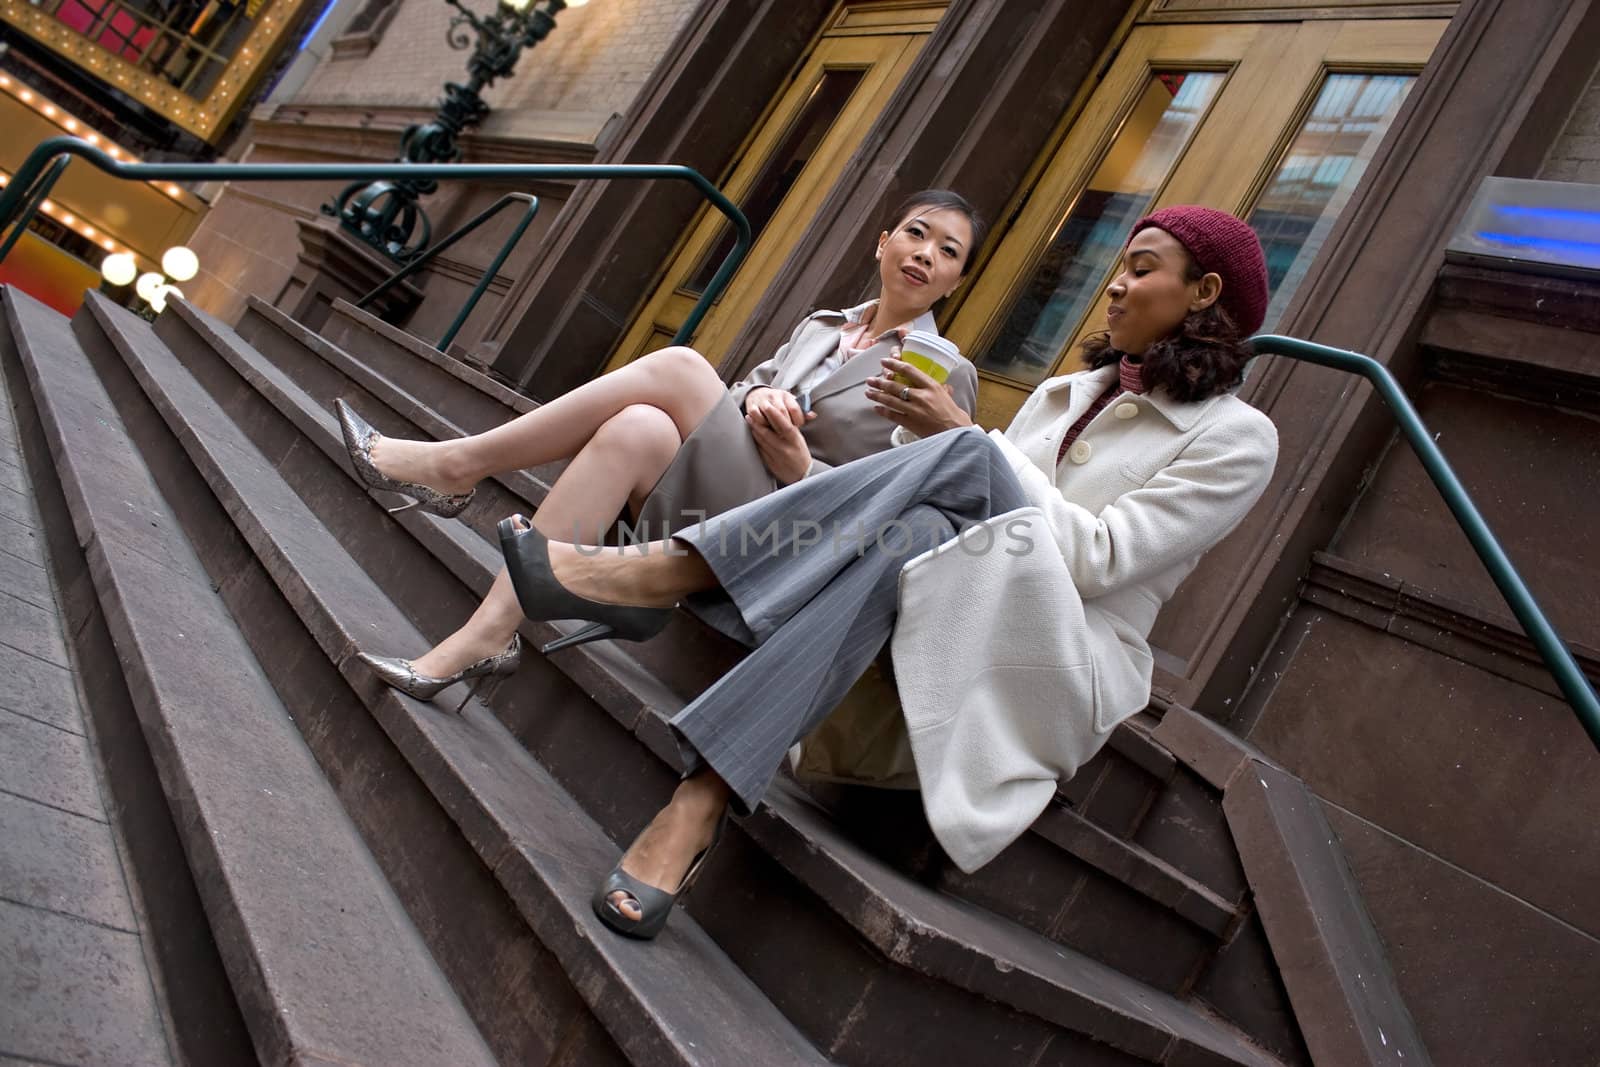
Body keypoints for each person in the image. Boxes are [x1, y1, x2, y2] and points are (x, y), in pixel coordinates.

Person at [486, 205, 1281, 940]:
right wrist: (921, 440)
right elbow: (964, 503)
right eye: (1122, 264)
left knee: (962, 464)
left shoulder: (1239, 439)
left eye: (1142, 269)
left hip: (1060, 648)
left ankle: (659, 575)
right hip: (961, 580)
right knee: (923, 523)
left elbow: (1099, 558)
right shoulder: (1069, 390)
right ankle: (697, 802)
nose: (1115, 282)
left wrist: (971, 439)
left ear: (1203, 291)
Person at [342, 190, 987, 695]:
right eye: (916, 232)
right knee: (638, 426)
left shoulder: (944, 374)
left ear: (956, 281)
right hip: (719, 503)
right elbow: (732, 400)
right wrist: (755, 400)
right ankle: (486, 633)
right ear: (882, 243)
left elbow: (897, 505)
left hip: (789, 537)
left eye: (949, 251)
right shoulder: (819, 326)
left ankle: (456, 465)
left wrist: (801, 468)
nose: (927, 253)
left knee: (678, 367)